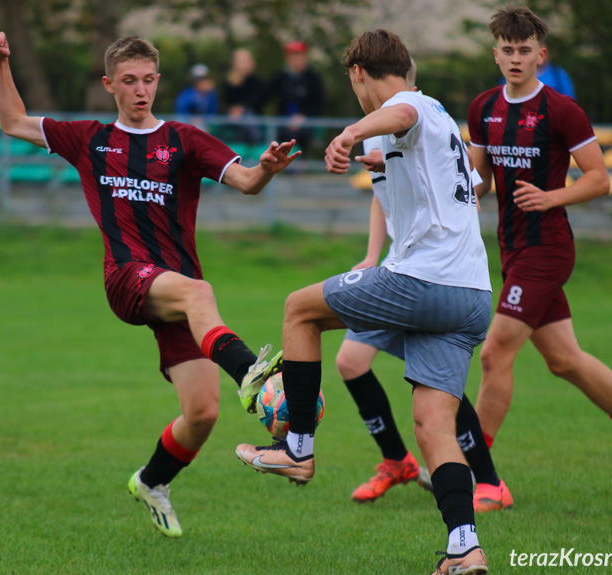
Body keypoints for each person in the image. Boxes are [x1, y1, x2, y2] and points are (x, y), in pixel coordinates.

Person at [0, 32, 300, 538]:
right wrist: (0, 64)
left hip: (174, 295)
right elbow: (12, 121)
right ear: (110, 85)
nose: (140, 90)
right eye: (129, 81)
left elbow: (245, 182)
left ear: (158, 82)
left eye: (148, 80)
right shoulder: (89, 139)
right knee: (201, 292)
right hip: (127, 278)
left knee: (202, 413)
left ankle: (151, 481)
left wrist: (267, 168)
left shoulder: (184, 141)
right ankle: (251, 376)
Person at [236, 29, 492, 574]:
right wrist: (370, 161)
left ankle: (297, 448)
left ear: (358, 73)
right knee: (433, 426)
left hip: (423, 281)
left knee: (299, 309)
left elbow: (399, 117)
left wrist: (350, 133)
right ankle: (464, 545)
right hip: (472, 296)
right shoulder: (444, 122)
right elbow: (469, 184)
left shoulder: (410, 104)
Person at [468, 5, 612, 500]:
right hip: (512, 251)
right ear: (496, 54)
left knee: (494, 353)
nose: (515, 58)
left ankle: (479, 475)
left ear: (541, 54)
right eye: (507, 51)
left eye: (524, 50)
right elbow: (479, 183)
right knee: (565, 361)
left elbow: (601, 178)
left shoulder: (560, 109)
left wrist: (551, 197)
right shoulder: (483, 108)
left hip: (548, 249)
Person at [338, 60, 511, 514]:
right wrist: (372, 255)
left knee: (438, 387)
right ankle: (396, 461)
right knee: (352, 362)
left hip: (430, 276)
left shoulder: (415, 113)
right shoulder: (389, 128)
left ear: (360, 73)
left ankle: (489, 479)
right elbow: (383, 199)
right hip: (400, 269)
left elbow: (471, 190)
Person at [265, 41, 325, 153]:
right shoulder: (280, 77)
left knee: (301, 137)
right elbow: (265, 95)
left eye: (299, 56)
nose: (296, 60)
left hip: (305, 123)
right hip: (283, 122)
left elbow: (319, 103)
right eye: (293, 56)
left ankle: (299, 166)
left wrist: (302, 116)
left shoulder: (313, 78)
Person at [222, 48, 265, 144]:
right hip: (232, 117)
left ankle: (254, 143)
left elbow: (257, 100)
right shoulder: (229, 82)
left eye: (245, 61)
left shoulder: (257, 81)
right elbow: (226, 102)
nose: (243, 65)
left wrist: (242, 108)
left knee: (248, 116)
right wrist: (233, 110)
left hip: (253, 117)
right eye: (240, 62)